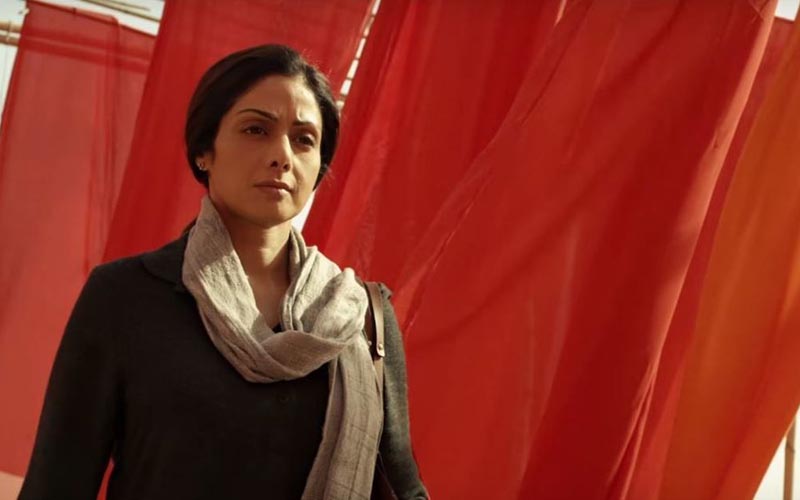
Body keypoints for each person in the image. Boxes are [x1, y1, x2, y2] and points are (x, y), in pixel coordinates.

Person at [18, 44, 428, 500]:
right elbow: (57, 484)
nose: (282, 155)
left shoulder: (361, 316)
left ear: (318, 168)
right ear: (204, 151)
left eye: (304, 140)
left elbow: (403, 488)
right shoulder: (126, 296)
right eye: (256, 129)